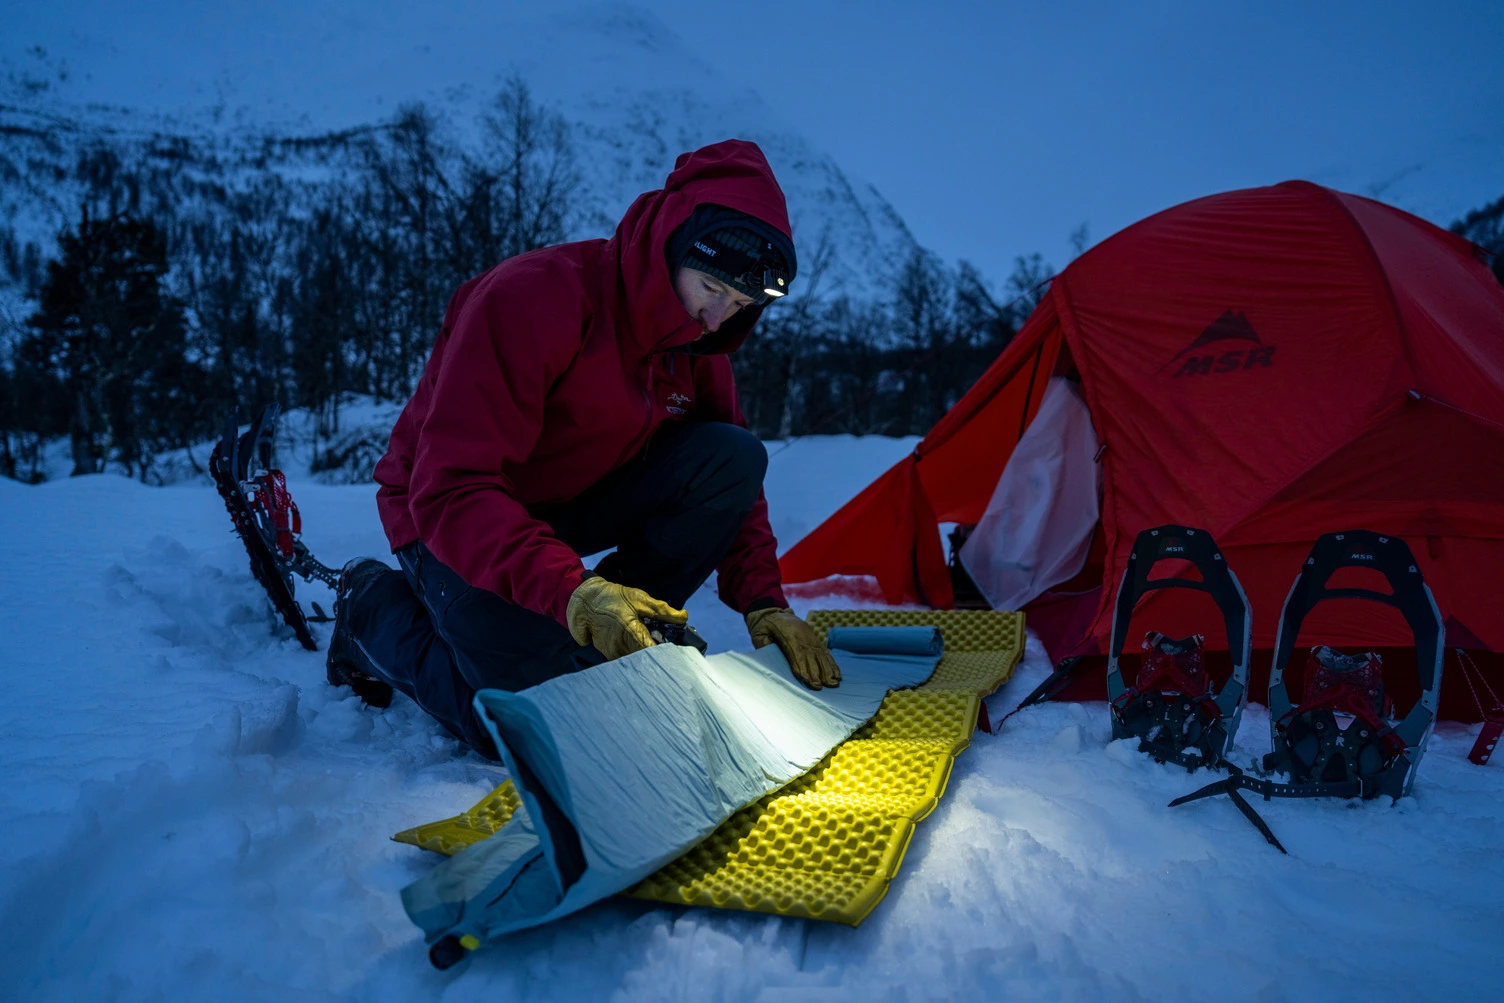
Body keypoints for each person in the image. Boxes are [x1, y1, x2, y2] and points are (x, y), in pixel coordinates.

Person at [325, 139, 842, 757]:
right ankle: (371, 610)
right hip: (446, 512)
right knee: (532, 723)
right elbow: (453, 487)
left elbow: (734, 481)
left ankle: (615, 634)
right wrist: (572, 590)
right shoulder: (533, 299)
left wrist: (764, 603)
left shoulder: (697, 347)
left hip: (566, 506)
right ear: (672, 244)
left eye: (740, 305)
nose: (717, 319)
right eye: (711, 287)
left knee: (733, 455)